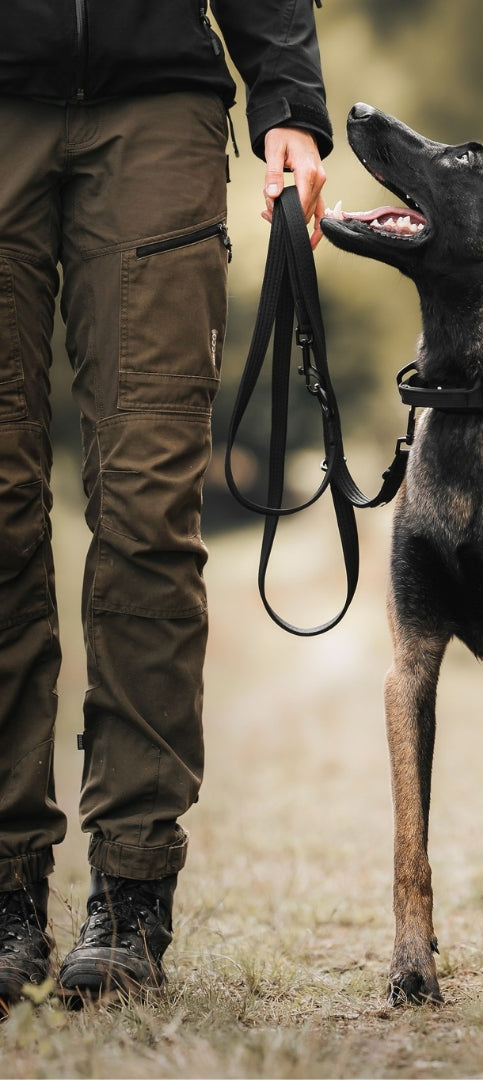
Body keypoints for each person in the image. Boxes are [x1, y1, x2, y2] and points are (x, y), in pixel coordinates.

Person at [0, 1, 331, 1003]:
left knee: (146, 508)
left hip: (158, 110)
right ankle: (6, 891)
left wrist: (291, 99)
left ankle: (132, 888)